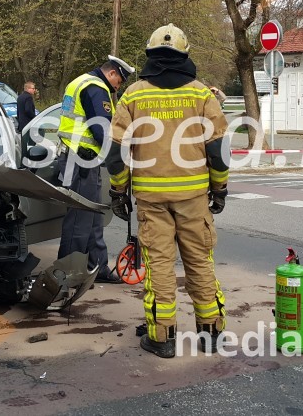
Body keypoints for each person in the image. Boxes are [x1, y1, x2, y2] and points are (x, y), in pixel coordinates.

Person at [106, 23, 230, 358]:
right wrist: (219, 189)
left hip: (151, 200)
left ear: (150, 56)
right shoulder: (202, 94)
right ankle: (211, 333)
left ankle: (162, 339)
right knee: (200, 262)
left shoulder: (134, 95)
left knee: (159, 266)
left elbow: (117, 154)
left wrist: (118, 193)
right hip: (193, 198)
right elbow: (218, 151)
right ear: (184, 56)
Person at [57, 55, 135, 284]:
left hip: (82, 159)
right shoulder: (95, 87)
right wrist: (119, 160)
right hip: (80, 159)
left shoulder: (81, 82)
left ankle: (97, 267)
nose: (117, 87)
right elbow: (102, 131)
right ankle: (68, 272)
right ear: (112, 73)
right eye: (119, 82)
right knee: (79, 220)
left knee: (93, 217)